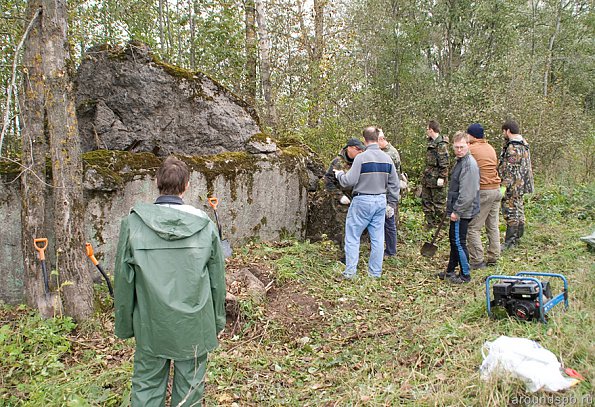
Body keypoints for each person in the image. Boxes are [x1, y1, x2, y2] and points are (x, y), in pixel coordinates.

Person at [114, 156, 226, 406]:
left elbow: (123, 280)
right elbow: (217, 281)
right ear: (186, 185)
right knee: (190, 388)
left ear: (157, 183)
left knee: (147, 385)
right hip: (194, 324)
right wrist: (217, 322)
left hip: (150, 322)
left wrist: (125, 325)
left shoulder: (133, 223)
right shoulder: (205, 225)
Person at [334, 126, 399, 279]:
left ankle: (350, 272)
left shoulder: (361, 158)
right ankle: (375, 274)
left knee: (352, 236)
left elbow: (348, 181)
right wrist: (392, 203)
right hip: (381, 201)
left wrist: (340, 175)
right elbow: (394, 184)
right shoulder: (387, 158)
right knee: (377, 239)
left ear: (364, 140)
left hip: (362, 201)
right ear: (377, 139)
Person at [438, 131, 480, 284]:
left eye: (462, 147)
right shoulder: (460, 161)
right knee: (454, 240)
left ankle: (465, 275)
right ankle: (450, 270)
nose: (459, 150)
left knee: (458, 241)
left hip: (463, 211)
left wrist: (457, 211)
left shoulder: (469, 165)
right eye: (456, 147)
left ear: (468, 145)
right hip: (458, 208)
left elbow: (468, 194)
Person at [466, 123, 502, 269]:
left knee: (473, 227)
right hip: (497, 189)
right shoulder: (490, 148)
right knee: (492, 225)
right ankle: (494, 255)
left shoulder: (471, 149)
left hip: (484, 191)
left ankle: (477, 260)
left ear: (471, 136)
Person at [323, 138, 365, 259]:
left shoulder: (361, 160)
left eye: (361, 149)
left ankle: (356, 250)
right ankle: (347, 255)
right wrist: (339, 196)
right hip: (342, 202)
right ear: (349, 148)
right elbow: (328, 181)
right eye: (357, 149)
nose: (360, 152)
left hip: (359, 198)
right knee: (345, 226)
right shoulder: (337, 162)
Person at [498, 120, 534, 249]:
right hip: (522, 184)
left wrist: (503, 186)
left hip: (513, 186)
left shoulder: (513, 148)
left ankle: (510, 242)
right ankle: (518, 238)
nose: (503, 134)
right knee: (519, 210)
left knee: (511, 211)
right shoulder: (524, 144)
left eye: (503, 131)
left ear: (507, 131)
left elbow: (509, 170)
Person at [377, 129, 402, 257]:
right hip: (384, 191)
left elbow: (393, 179)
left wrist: (391, 201)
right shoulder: (384, 152)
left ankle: (391, 250)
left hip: (389, 193)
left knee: (389, 223)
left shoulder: (390, 154)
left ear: (382, 140)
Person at [421, 120, 450, 230]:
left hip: (437, 179)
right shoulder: (431, 143)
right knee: (426, 202)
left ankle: (442, 226)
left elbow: (445, 163)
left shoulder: (441, 145)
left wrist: (442, 177)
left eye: (427, 129)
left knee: (439, 204)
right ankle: (430, 224)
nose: (426, 131)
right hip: (428, 179)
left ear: (431, 130)